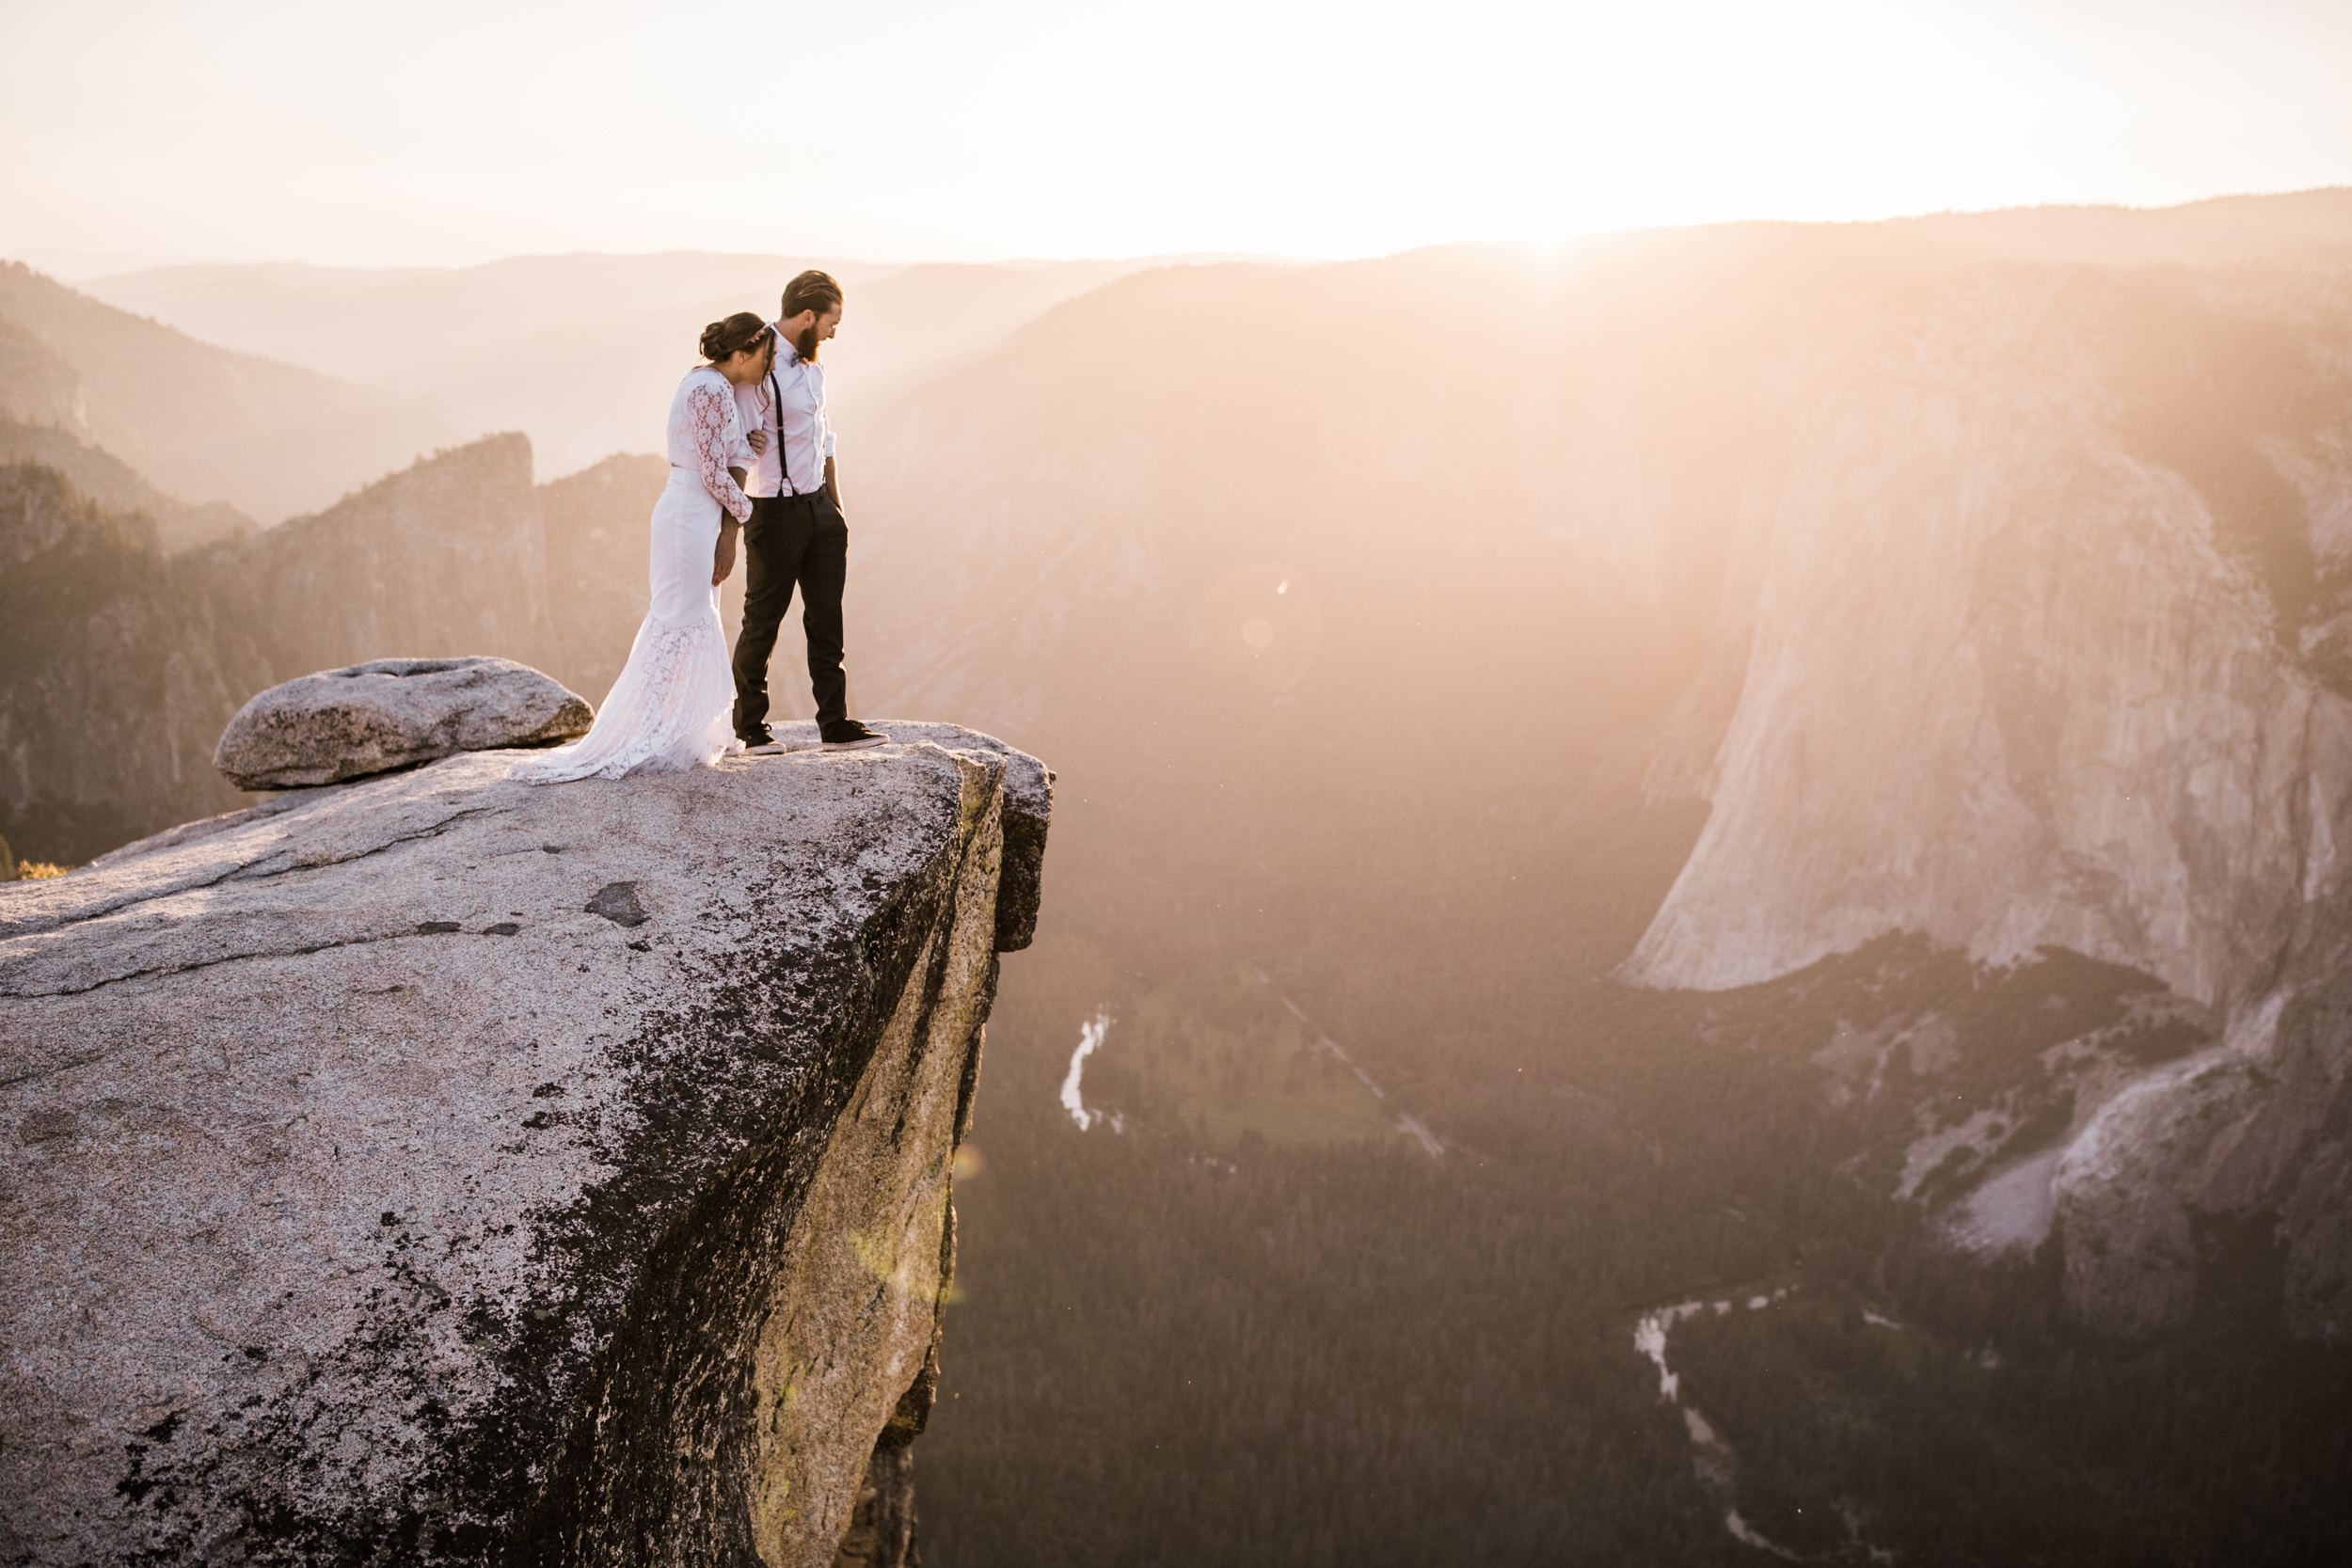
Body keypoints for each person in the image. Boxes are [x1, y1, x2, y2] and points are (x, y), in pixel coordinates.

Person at [510, 314, 772, 783]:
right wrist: (748, 517)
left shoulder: (707, 383)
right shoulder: (711, 390)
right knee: (682, 620)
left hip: (692, 513)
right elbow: (712, 474)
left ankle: (683, 733)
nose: (769, 366)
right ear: (740, 354)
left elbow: (718, 457)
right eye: (765, 356)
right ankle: (654, 732)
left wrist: (747, 450)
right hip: (689, 516)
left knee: (693, 616)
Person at [730, 269, 887, 752]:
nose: (833, 333)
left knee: (826, 620)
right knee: (763, 622)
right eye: (829, 322)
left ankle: (834, 725)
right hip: (772, 511)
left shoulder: (814, 365)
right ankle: (751, 729)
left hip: (819, 509)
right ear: (806, 315)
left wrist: (835, 507)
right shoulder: (760, 364)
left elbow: (825, 435)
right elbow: (734, 436)